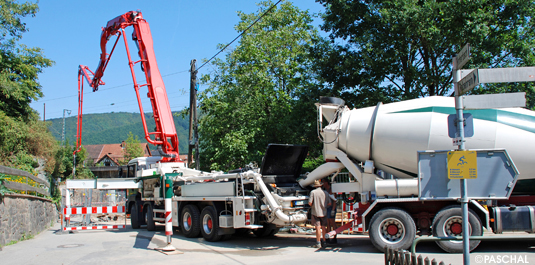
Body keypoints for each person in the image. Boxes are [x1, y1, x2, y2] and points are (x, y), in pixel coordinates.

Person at [308, 179, 331, 248]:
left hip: (315, 212)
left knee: (318, 227)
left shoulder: (313, 192)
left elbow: (310, 203)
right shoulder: (326, 193)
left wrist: (313, 206)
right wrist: (324, 207)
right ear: (321, 185)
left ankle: (318, 242)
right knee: (324, 227)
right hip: (324, 212)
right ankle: (324, 241)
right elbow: (329, 203)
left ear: (315, 186)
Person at [322, 178, 338, 244]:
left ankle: (334, 237)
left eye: (323, 182)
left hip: (331, 208)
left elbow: (334, 200)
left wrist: (333, 210)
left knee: (332, 222)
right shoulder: (326, 190)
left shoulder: (331, 190)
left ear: (326, 183)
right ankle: (328, 236)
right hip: (328, 208)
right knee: (328, 222)